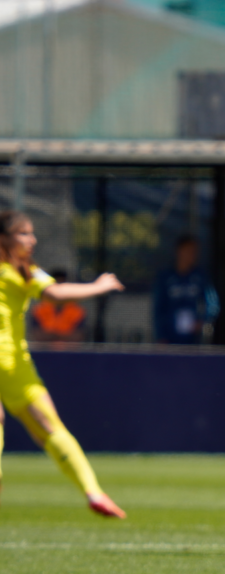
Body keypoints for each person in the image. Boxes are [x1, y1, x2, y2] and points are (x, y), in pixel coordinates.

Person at [0, 211, 125, 517]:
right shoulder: (14, 271)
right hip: (13, 363)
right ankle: (93, 491)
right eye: (23, 233)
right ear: (3, 239)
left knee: (49, 426)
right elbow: (54, 294)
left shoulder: (25, 270)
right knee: (44, 426)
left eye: (32, 233)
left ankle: (94, 493)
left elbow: (53, 290)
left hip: (15, 363)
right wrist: (99, 286)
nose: (32, 239)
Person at [153, 235, 220, 344]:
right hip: (169, 339)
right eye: (189, 251)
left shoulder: (201, 276)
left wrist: (203, 321)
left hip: (193, 340)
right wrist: (161, 336)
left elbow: (213, 303)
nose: (193, 255)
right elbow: (158, 309)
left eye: (195, 252)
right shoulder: (165, 277)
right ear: (179, 251)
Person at [29, 269, 87, 342]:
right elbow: (36, 334)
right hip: (44, 348)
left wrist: (53, 336)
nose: (59, 291)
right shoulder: (39, 309)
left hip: (69, 348)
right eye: (56, 286)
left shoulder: (77, 310)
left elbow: (79, 336)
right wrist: (62, 336)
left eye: (61, 285)